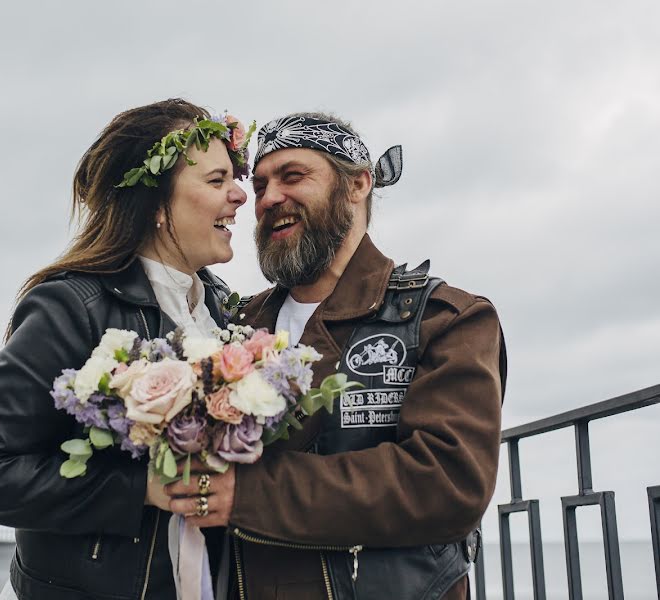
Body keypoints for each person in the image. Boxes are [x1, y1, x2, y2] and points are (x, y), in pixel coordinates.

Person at [164, 113, 506, 599]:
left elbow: (449, 482)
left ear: (358, 184)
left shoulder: (444, 319)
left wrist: (249, 495)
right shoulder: (232, 324)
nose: (269, 199)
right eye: (260, 185)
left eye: (293, 176)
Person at [0, 98, 249, 600]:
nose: (240, 194)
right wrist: (141, 490)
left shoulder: (224, 311)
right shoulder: (70, 306)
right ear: (156, 205)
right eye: (217, 181)